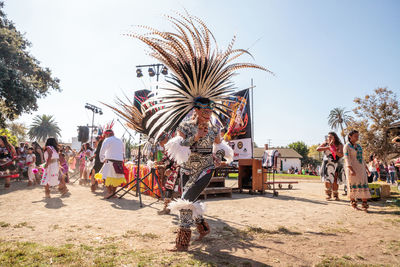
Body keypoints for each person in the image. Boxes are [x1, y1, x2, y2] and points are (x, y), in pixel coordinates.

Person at [344, 130, 371, 212]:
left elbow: (362, 159)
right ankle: (353, 204)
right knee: (352, 185)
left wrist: (367, 169)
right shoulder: (347, 146)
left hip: (361, 169)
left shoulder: (359, 146)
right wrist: (351, 169)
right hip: (351, 168)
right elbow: (346, 159)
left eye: (358, 136)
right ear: (350, 136)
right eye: (355, 136)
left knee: (363, 184)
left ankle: (364, 204)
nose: (357, 138)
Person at [96, 129, 126, 199]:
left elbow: (102, 150)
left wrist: (102, 159)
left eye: (105, 135)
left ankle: (110, 193)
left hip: (110, 161)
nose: (105, 136)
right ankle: (113, 193)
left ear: (107, 134)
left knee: (104, 177)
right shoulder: (120, 141)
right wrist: (122, 159)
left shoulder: (107, 140)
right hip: (119, 162)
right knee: (116, 178)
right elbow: (123, 152)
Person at [317, 132, 345, 201]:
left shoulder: (339, 144)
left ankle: (335, 194)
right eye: (328, 137)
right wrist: (328, 147)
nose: (329, 138)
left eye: (331, 137)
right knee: (328, 178)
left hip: (337, 163)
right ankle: (328, 194)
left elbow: (341, 155)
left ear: (334, 138)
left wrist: (334, 150)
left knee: (335, 179)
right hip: (327, 163)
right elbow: (318, 149)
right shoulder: (325, 143)